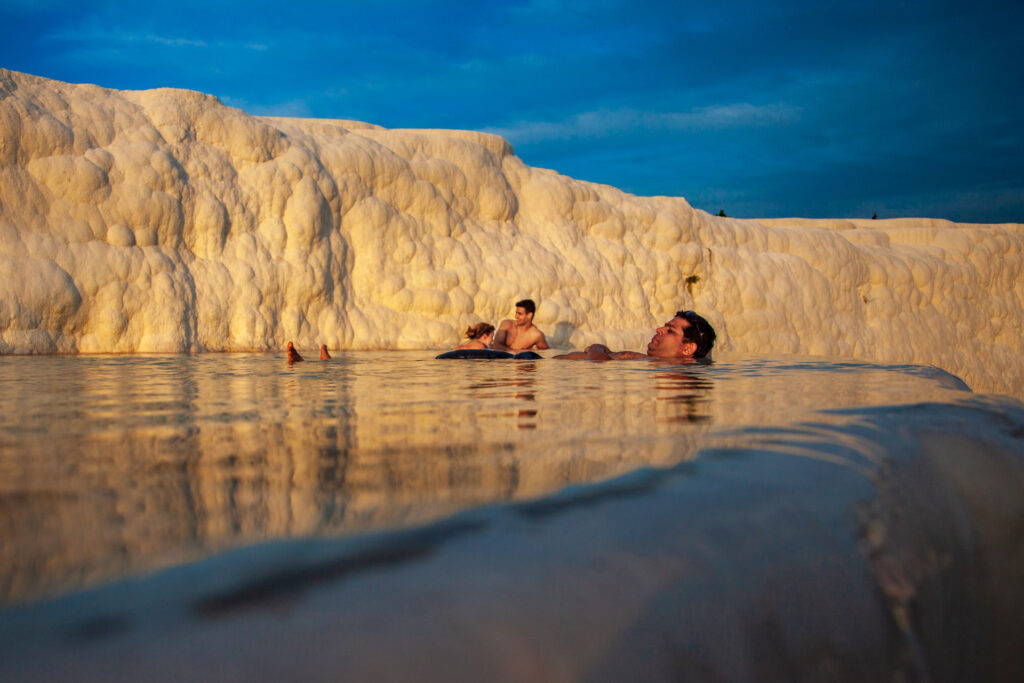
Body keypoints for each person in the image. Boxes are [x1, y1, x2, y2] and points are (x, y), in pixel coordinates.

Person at [554, 310, 716, 361]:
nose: (660, 329)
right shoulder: (648, 362)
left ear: (687, 349)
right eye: (664, 326)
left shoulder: (665, 368)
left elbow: (597, 368)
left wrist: (597, 349)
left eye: (670, 330)